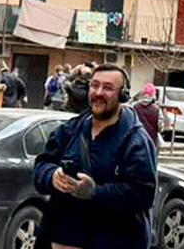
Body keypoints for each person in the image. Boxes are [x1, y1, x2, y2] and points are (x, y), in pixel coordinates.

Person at [33, 64, 157, 249]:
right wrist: (52, 176)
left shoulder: (136, 141)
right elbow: (41, 166)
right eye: (94, 85)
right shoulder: (69, 130)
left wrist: (94, 192)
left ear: (122, 95)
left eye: (108, 88)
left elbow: (142, 194)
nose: (98, 92)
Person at [132, 84, 161, 150]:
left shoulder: (135, 107)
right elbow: (160, 127)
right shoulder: (156, 109)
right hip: (152, 139)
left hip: (137, 139)